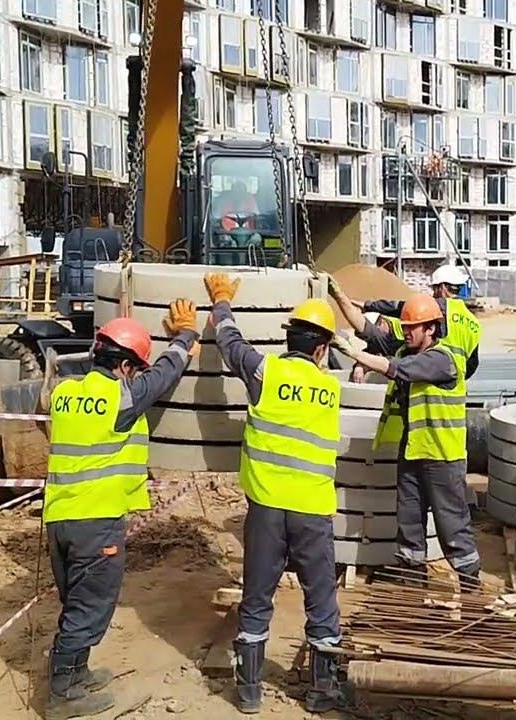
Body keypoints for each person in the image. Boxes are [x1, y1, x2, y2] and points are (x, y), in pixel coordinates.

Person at [43, 305, 199, 720]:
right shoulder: (120, 397)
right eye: (135, 368)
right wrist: (185, 336)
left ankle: (78, 673)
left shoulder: (65, 393)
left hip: (60, 518)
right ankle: (62, 693)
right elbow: (162, 378)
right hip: (97, 521)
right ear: (127, 366)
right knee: (90, 605)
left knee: (76, 599)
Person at [204, 272, 347, 715]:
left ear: (291, 340)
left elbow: (231, 345)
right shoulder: (331, 389)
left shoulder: (266, 372)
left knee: (257, 596)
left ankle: (248, 692)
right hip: (313, 512)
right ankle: (322, 691)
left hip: (266, 509)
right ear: (322, 349)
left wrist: (222, 303)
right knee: (321, 599)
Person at [332, 294, 480, 591]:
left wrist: (356, 355)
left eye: (414, 327)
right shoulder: (409, 349)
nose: (408, 331)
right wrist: (340, 299)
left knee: (451, 524)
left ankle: (470, 586)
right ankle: (413, 584)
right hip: (413, 450)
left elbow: (396, 368)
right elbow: (370, 331)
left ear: (431, 329)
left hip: (442, 456)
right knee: (409, 521)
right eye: (407, 326)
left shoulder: (444, 359)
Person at [329, 263, 480, 380]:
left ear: (441, 288)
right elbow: (472, 365)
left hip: (424, 369)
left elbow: (399, 306)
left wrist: (368, 305)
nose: (433, 294)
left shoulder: (436, 306)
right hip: (450, 381)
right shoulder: (474, 324)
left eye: (435, 289)